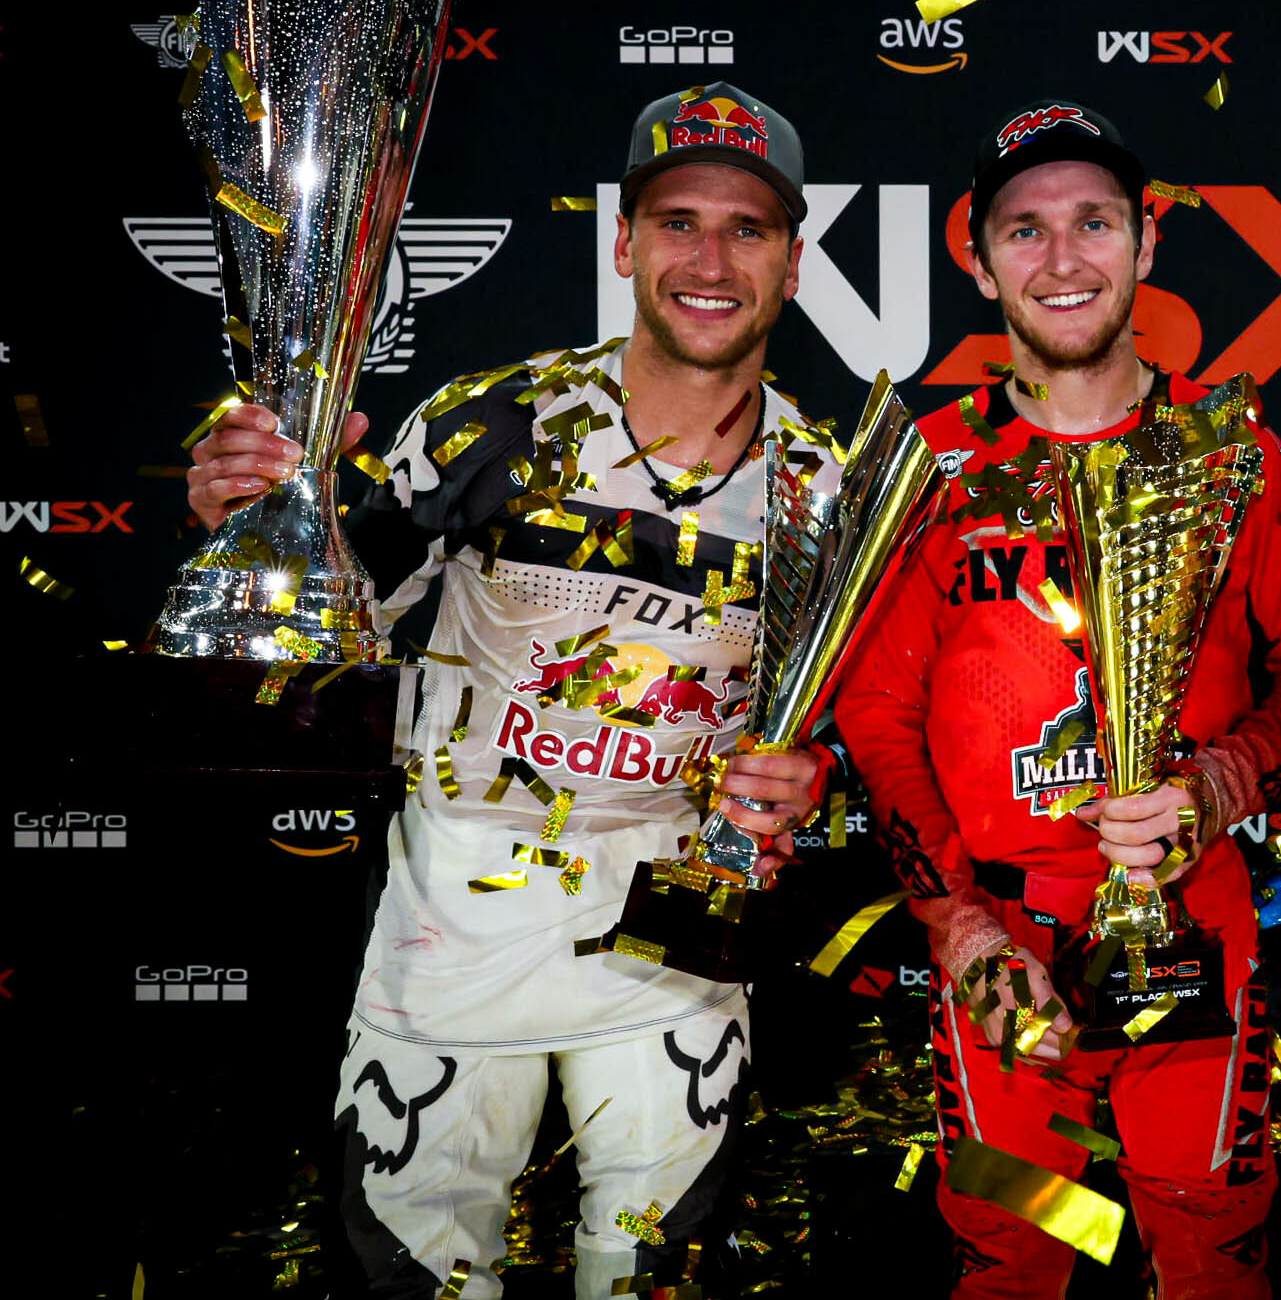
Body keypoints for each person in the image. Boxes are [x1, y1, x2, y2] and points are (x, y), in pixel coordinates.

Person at [187, 83, 836, 1300]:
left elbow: (836, 721)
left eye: (747, 229)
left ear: (792, 264)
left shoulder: (823, 484)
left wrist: (809, 774)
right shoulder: (497, 421)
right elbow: (326, 623)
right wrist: (253, 528)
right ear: (623, 244)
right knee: (419, 1279)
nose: (710, 260)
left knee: (651, 1280)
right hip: (454, 924)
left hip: (672, 948)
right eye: (678, 222)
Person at [833, 100, 1281, 1299]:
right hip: (1004, 944)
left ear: (1146, 241)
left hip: (1192, 928)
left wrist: (1218, 786)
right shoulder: (931, 466)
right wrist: (961, 926)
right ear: (978, 258)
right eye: (1025, 230)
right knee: (1013, 1248)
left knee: (1209, 1246)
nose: (1062, 259)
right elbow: (875, 713)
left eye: (1094, 222)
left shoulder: (1232, 449)